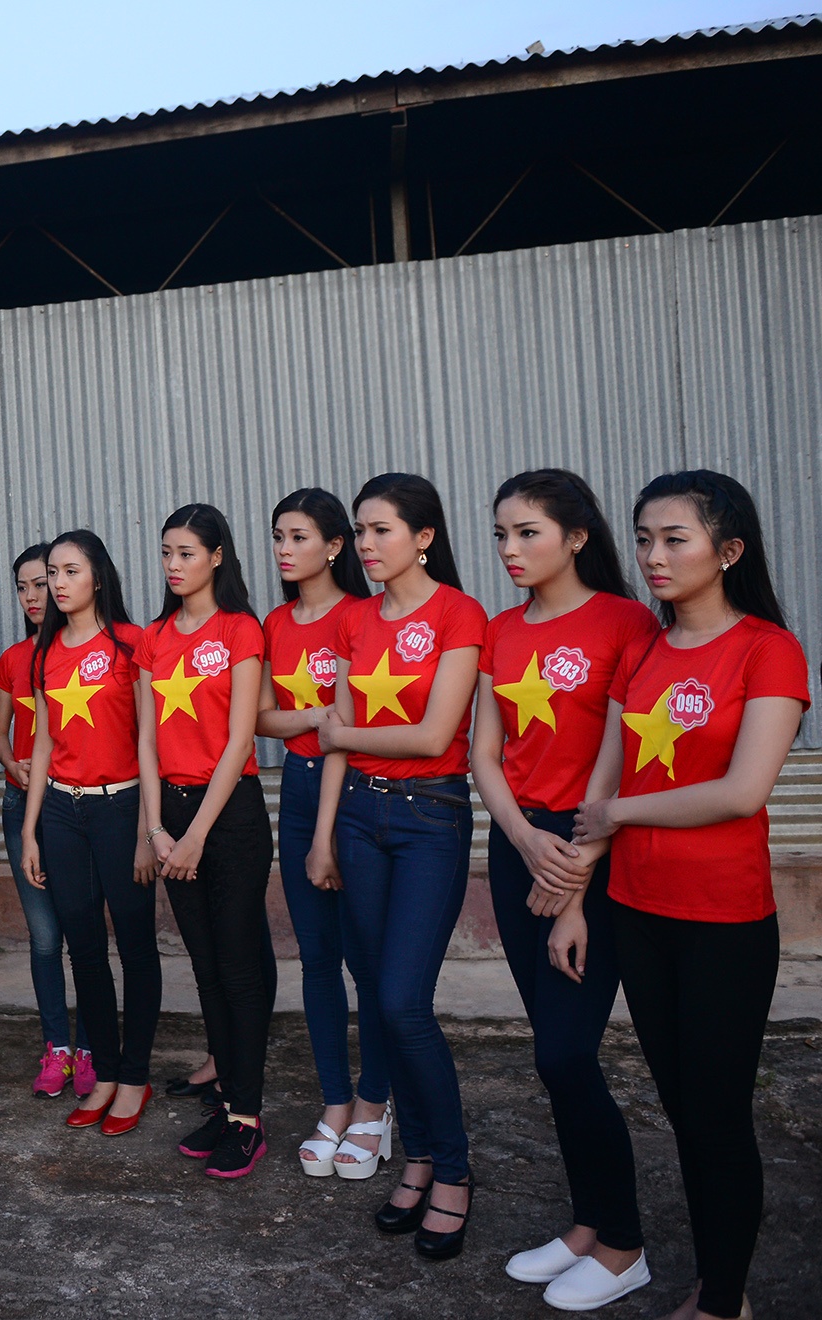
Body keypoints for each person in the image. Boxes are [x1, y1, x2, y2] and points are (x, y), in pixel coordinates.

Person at [569, 471, 808, 1320]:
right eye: (643, 538)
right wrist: (575, 895)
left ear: (728, 550)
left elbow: (743, 791)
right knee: (680, 1108)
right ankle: (716, 1282)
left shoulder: (767, 649)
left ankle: (722, 1301)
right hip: (637, 911)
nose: (653, 555)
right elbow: (606, 775)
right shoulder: (642, 649)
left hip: (723, 922)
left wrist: (619, 813)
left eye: (675, 538)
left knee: (716, 1116)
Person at [468, 469, 659, 1309]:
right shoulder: (501, 631)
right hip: (522, 845)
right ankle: (588, 1225)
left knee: (567, 1052)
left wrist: (574, 879)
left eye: (528, 532)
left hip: (592, 849)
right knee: (552, 1051)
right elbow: (484, 753)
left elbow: (624, 758)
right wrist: (521, 840)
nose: (509, 549)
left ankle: (624, 1246)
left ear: (576, 537)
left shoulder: (627, 622)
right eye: (501, 534)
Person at [319, 472, 486, 1261]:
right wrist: (324, 832)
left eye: (381, 529)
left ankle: (452, 1169)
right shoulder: (353, 618)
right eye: (360, 530)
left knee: (404, 1003)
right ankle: (416, 1157)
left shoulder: (458, 613)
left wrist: (341, 736)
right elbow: (337, 733)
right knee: (379, 1001)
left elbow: (433, 736)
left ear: (424, 537)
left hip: (429, 819)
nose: (366, 544)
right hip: (358, 817)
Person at [136, 504, 273, 1178]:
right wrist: (157, 829)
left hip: (231, 816)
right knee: (207, 967)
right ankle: (226, 1102)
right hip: (173, 816)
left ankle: (248, 1118)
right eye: (167, 552)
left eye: (187, 552)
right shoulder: (154, 636)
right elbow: (145, 740)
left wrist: (194, 835)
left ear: (217, 557)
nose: (173, 564)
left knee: (240, 969)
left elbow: (240, 738)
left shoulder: (241, 629)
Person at [256, 489, 382, 1177]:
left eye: (299, 536)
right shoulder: (275, 622)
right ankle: (335, 1100)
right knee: (316, 959)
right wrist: (313, 718)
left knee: (369, 960)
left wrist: (325, 834)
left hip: (354, 790)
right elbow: (262, 719)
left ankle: (375, 1100)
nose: (284, 548)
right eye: (279, 535)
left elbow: (349, 731)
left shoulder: (361, 617)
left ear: (335, 546)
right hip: (299, 788)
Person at [17, 530, 155, 1136]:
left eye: (70, 570)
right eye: (52, 572)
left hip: (121, 809)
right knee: (84, 949)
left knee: (135, 946)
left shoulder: (132, 642)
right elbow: (44, 743)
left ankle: (135, 1076)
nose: (57, 583)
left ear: (98, 575)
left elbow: (149, 740)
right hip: (61, 814)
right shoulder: (45, 653)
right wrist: (30, 831)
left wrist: (150, 829)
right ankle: (105, 1073)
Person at [0, 543, 94, 1097]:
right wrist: (14, 765)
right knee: (45, 936)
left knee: (84, 933)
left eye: (42, 582)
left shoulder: (84, 650)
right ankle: (56, 1047)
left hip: (74, 805)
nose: (34, 595)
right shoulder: (14, 659)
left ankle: (92, 1048)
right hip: (20, 806)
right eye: (23, 587)